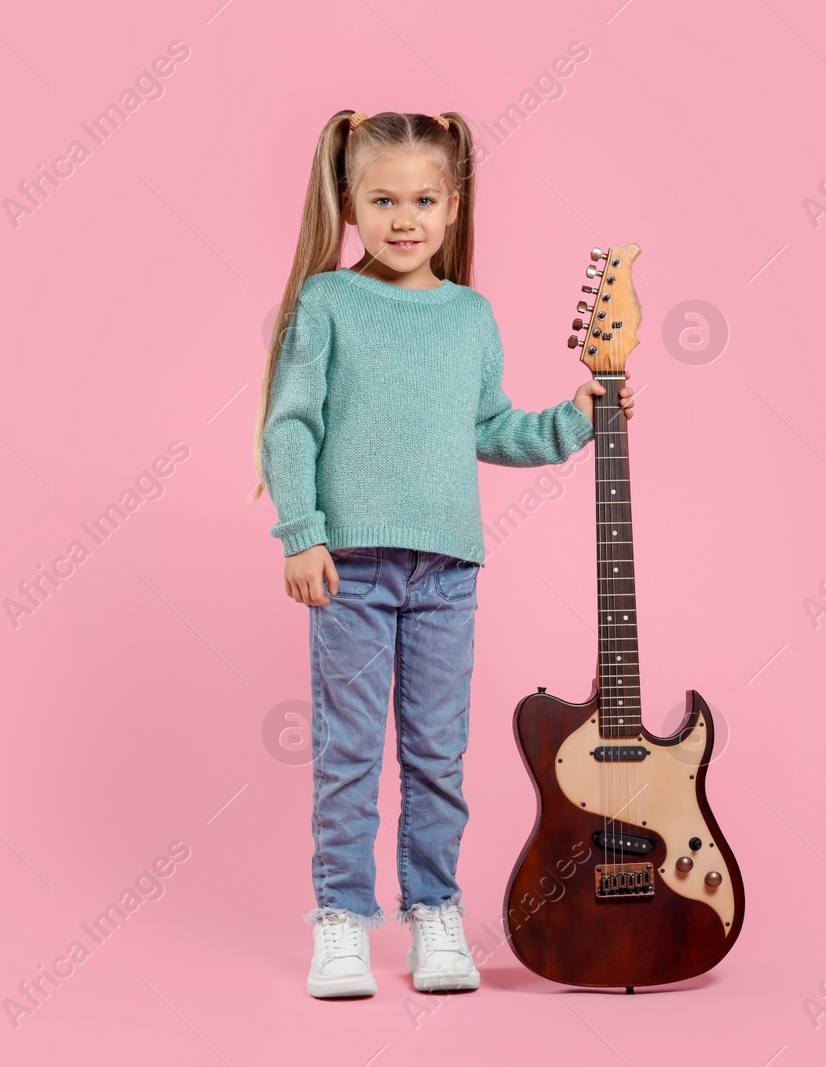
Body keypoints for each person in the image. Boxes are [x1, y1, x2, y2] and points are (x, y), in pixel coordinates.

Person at [249, 110, 636, 998]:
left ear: (453, 205)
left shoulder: (470, 315)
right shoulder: (328, 301)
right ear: (349, 201)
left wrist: (577, 416)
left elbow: (493, 427)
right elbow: (291, 424)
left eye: (424, 198)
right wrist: (301, 533)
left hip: (446, 571)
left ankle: (434, 911)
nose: (404, 217)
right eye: (383, 198)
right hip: (349, 568)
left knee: (436, 753)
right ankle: (342, 918)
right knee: (349, 750)